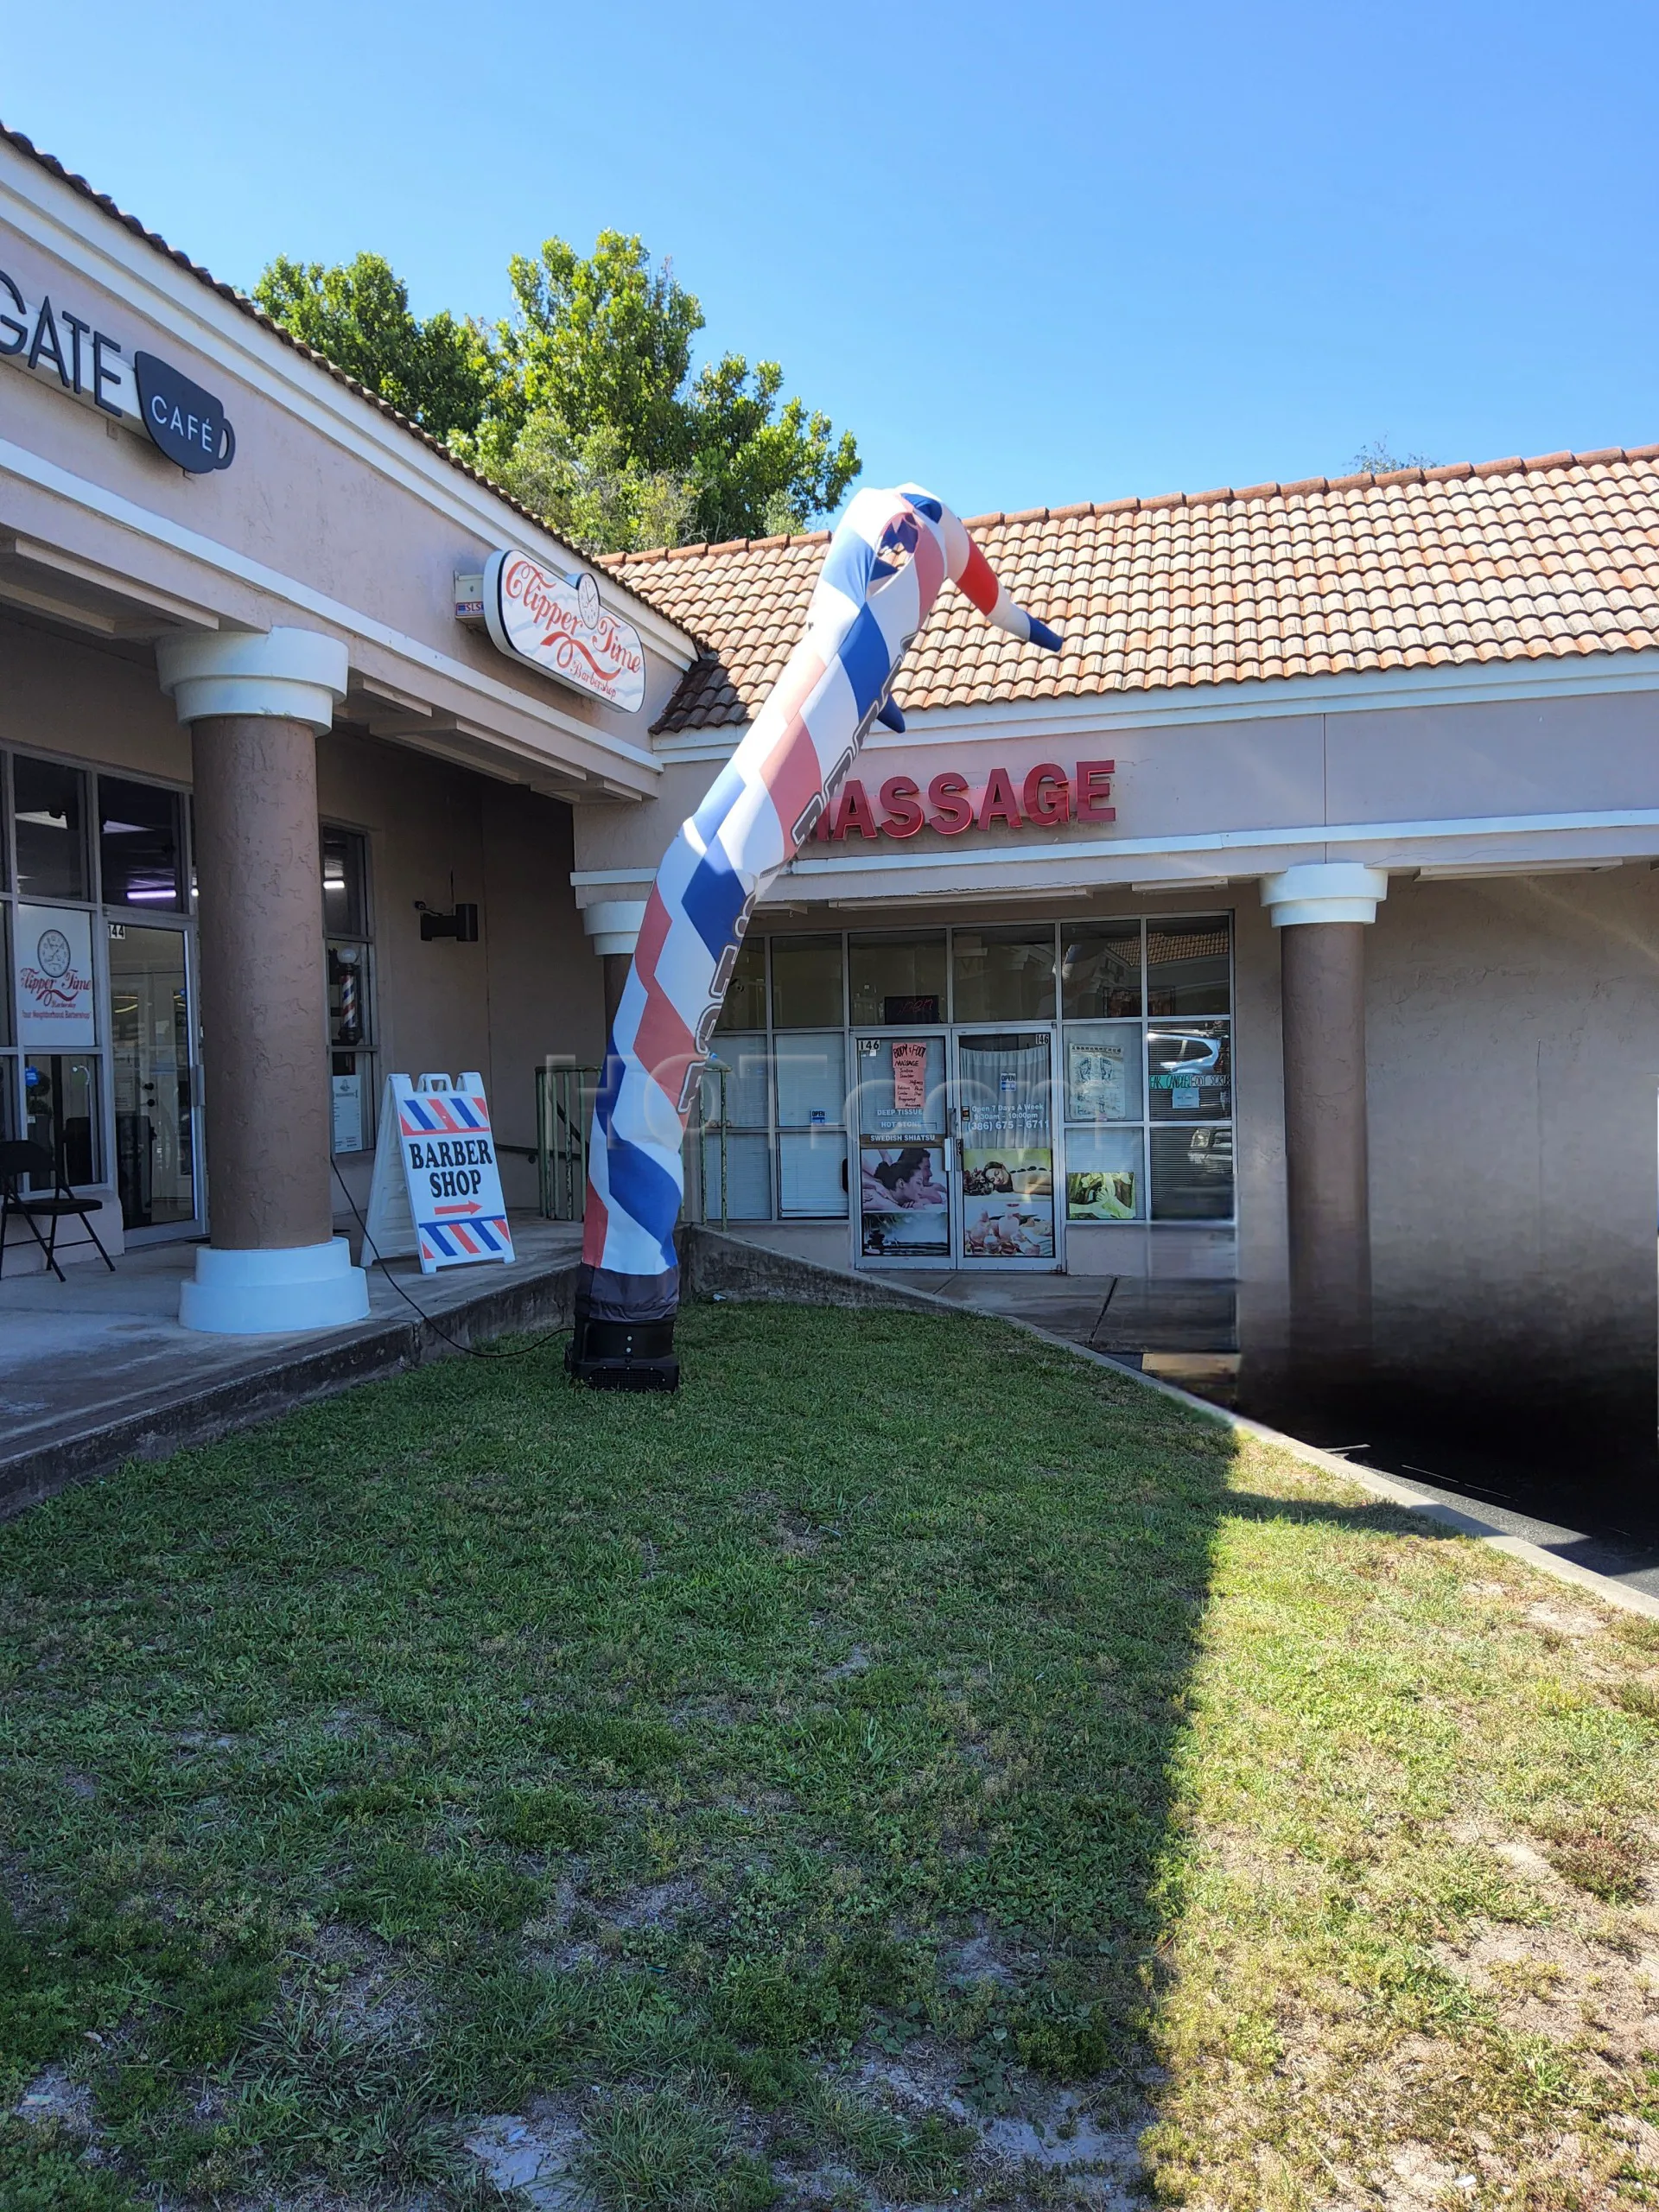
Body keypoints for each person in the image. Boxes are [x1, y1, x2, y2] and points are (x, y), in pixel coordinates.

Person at [862, 1146, 946, 1211]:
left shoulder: (900, 1194)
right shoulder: (879, 1199)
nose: (930, 1174)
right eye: (918, 1183)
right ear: (901, 1183)